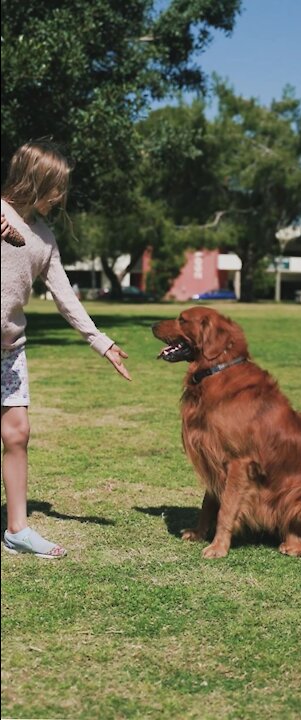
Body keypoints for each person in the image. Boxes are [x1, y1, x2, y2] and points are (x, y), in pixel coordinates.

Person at [1, 141, 132, 558]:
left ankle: (17, 528)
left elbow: (64, 297)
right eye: (57, 186)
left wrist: (101, 342)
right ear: (35, 178)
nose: (60, 196)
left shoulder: (45, 236)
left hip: (9, 348)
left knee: (17, 433)